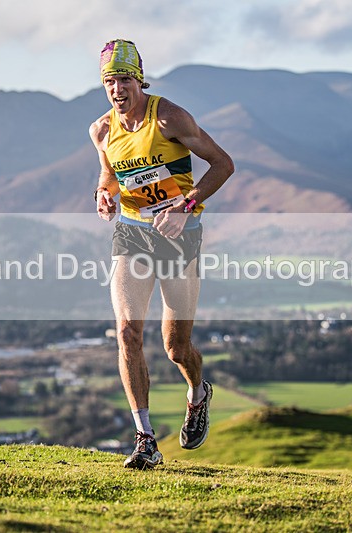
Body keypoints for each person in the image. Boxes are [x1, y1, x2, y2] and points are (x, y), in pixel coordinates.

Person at [89, 39, 234, 469]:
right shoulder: (102, 130)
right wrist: (103, 193)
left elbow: (223, 164)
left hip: (179, 237)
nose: (117, 89)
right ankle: (145, 439)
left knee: (176, 346)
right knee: (128, 333)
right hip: (132, 233)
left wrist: (185, 205)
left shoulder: (169, 117)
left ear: (140, 79)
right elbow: (109, 173)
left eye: (125, 80)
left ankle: (197, 392)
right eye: (109, 82)